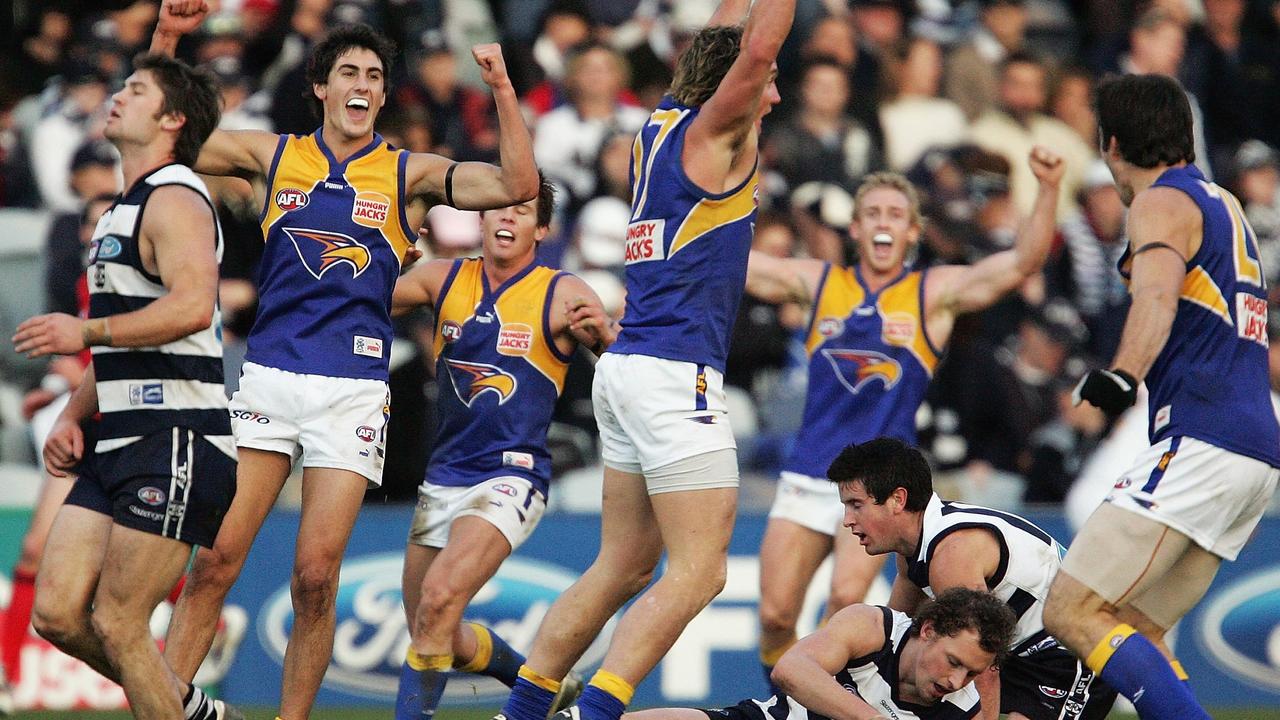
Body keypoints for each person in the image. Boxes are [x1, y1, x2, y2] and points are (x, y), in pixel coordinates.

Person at [148, 2, 540, 717]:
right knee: (213, 565)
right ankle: (162, 709)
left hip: (352, 391)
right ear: (321, 88)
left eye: (374, 76)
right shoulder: (273, 154)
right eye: (348, 72)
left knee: (316, 578)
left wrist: (504, 91)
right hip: (268, 377)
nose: (362, 83)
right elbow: (162, 138)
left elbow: (517, 186)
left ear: (384, 96)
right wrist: (169, 40)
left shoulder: (407, 172)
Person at [497, 3, 795, 720]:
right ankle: (591, 716)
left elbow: (724, 42)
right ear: (734, 89)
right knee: (700, 574)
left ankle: (522, 713)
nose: (775, 91)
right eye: (770, 82)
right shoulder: (715, 137)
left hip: (628, 369)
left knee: (622, 566)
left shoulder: (658, 126)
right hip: (673, 376)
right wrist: (759, 43)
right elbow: (751, 53)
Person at [743, 147, 1063, 694]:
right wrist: (731, 206)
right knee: (774, 615)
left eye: (895, 214)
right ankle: (790, 700)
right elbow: (736, 266)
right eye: (873, 213)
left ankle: (825, 703)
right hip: (807, 471)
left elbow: (1019, 264)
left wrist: (1050, 187)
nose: (883, 223)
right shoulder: (820, 283)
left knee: (846, 596)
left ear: (913, 231)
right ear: (855, 227)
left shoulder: (930, 295)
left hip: (879, 484)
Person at [1043, 74, 1280, 720]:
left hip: (1203, 438)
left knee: (1068, 610)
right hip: (1253, 450)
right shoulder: (1225, 203)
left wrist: (1122, 373)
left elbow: (1156, 296)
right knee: (1131, 631)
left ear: (1112, 142)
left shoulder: (1158, 203)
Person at [10, 53, 237, 720]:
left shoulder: (175, 197)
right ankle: (188, 708)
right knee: (55, 613)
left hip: (175, 435)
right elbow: (117, 326)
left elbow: (194, 306)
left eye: (136, 90)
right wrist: (75, 412)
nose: (118, 96)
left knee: (118, 620)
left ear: (170, 120)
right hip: (119, 435)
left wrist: (83, 338)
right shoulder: (121, 209)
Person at [388, 177, 615, 718]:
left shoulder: (564, 292)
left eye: (522, 211)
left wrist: (607, 339)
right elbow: (354, 296)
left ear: (542, 229)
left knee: (440, 599)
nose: (507, 218)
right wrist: (392, 244)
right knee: (430, 621)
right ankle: (536, 683)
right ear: (479, 219)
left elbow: (628, 368)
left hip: (510, 474)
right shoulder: (441, 278)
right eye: (496, 209)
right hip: (443, 474)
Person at [828, 438, 1117, 720]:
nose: (847, 520)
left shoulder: (951, 555)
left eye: (856, 504)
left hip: (1070, 655)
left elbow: (982, 660)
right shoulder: (915, 547)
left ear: (897, 500)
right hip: (1022, 651)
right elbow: (893, 639)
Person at [627, 588, 1017, 720]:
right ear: (928, 631)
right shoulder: (873, 628)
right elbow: (790, 669)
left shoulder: (960, 710)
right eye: (954, 662)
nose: (955, 682)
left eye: (970, 673)